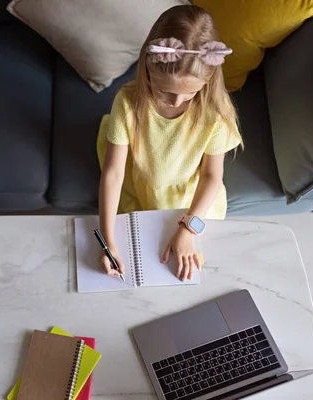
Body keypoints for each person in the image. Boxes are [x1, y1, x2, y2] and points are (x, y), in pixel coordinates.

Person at [97, 5, 243, 282]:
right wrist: (108, 238)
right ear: (147, 72)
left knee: (191, 275)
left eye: (189, 93)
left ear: (208, 82)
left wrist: (188, 228)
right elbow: (113, 173)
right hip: (141, 187)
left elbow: (212, 176)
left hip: (193, 200)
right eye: (165, 91)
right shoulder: (127, 102)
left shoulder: (215, 113)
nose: (176, 102)